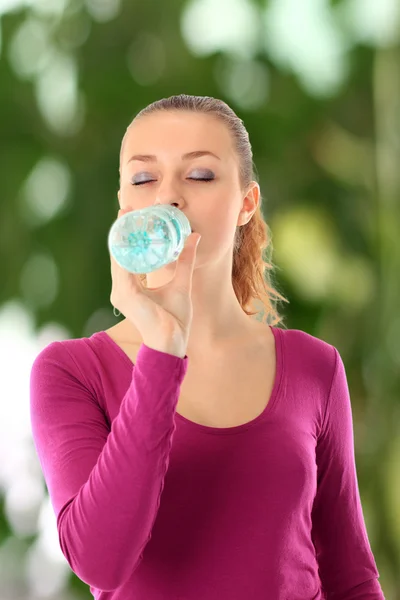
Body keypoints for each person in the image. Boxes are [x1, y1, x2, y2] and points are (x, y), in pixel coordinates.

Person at [29, 94, 384, 599]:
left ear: (246, 204)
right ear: (124, 207)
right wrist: (163, 347)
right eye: (144, 178)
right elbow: (100, 563)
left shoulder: (315, 368)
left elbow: (352, 578)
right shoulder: (70, 372)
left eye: (199, 176)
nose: (169, 197)